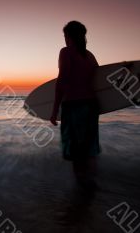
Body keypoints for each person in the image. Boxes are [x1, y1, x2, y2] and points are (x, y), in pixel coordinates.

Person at [50, 21, 101, 190]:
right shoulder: (90, 56)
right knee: (89, 149)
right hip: (91, 107)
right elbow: (99, 82)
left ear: (69, 36)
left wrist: (55, 109)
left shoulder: (66, 52)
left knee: (76, 151)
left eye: (65, 36)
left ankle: (81, 189)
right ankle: (92, 185)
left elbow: (62, 80)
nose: (64, 39)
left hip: (73, 106)